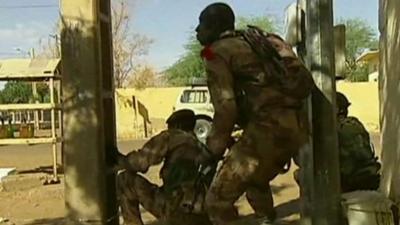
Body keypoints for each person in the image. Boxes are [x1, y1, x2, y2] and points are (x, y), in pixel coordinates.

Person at [195, 3, 313, 225]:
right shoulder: (256, 41)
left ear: (214, 26)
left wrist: (211, 150)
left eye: (201, 24)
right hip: (297, 128)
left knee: (216, 202)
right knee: (255, 181)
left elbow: (226, 107)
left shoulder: (216, 52)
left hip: (267, 132)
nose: (197, 30)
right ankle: (267, 219)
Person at [114, 109, 214, 225]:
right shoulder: (201, 146)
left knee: (125, 180)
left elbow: (140, 162)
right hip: (202, 214)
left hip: (176, 210)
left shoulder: (172, 137)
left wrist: (120, 160)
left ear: (176, 125)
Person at [294, 92, 381, 193]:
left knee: (300, 174)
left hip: (350, 180)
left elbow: (303, 160)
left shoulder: (331, 129)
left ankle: (316, 207)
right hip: (370, 174)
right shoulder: (355, 122)